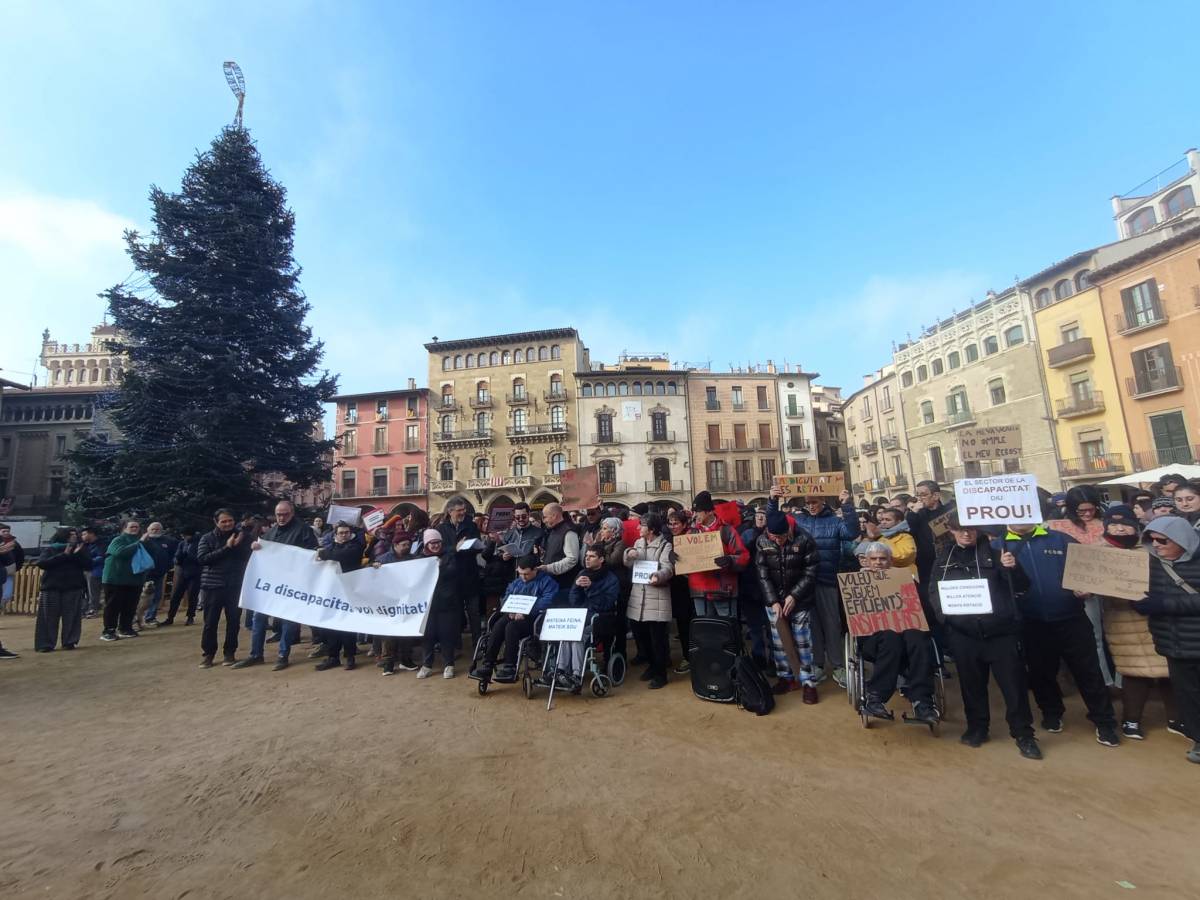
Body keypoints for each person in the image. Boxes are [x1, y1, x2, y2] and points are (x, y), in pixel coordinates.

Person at [931, 513, 1042, 760]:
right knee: (971, 685)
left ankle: (1024, 734)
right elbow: (934, 591)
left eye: (970, 528)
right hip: (964, 634)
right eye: (960, 529)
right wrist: (946, 618)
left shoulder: (998, 553)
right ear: (950, 530)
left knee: (1014, 686)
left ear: (978, 529)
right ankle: (977, 728)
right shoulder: (943, 558)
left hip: (1000, 632)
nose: (966, 533)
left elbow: (1021, 587)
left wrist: (1012, 569)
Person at [1000, 522, 1120, 745]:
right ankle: (1051, 712)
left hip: (1071, 617)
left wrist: (1088, 587)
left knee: (1088, 671)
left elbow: (1088, 569)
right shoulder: (998, 545)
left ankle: (1104, 722)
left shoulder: (1060, 538)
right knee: (1041, 672)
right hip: (1031, 621)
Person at [1098, 505, 1180, 740]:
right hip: (1121, 620)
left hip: (1155, 617)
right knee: (1133, 672)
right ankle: (1131, 720)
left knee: (1168, 670)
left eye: (1124, 524)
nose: (1119, 528)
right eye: (1113, 525)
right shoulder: (1096, 553)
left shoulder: (1151, 549)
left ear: (1135, 526)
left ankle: (1177, 718)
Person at [771, 488, 857, 687]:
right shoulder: (799, 521)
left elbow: (852, 532)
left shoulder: (835, 522)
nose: (810, 505)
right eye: (808, 502)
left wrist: (847, 505)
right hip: (805, 582)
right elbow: (775, 523)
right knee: (813, 625)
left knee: (832, 623)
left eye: (814, 502)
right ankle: (818, 663)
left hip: (827, 579)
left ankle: (837, 665)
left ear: (823, 500)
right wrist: (772, 500)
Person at [1137, 517, 1200, 764]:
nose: (1157, 545)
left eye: (1162, 540)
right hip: (1174, 645)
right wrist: (1138, 602)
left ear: (1182, 540)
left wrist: (1164, 604)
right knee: (1188, 697)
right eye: (1151, 540)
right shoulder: (1150, 564)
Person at [855, 541, 939, 724]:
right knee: (891, 637)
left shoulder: (905, 579)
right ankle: (876, 696)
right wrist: (863, 585)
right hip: (874, 637)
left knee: (918, 637)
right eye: (874, 559)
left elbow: (926, 614)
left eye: (883, 559)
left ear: (890, 561)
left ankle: (922, 700)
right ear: (867, 561)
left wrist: (907, 584)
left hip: (907, 632)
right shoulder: (856, 583)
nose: (878, 563)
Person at [234, 499, 321, 671]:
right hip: (270, 585)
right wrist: (256, 547)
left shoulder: (304, 531)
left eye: (285, 514)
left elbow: (312, 554)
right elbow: (262, 553)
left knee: (288, 620)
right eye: (278, 514)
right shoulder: (271, 532)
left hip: (291, 585)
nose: (281, 518)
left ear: (292, 513)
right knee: (258, 618)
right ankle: (256, 654)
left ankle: (283, 655)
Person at [755, 511, 820, 702]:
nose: (778, 541)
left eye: (782, 537)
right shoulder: (762, 541)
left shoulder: (805, 539)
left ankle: (808, 681)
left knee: (803, 642)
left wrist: (795, 595)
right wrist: (773, 600)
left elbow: (811, 571)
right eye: (774, 537)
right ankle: (786, 677)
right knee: (779, 642)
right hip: (775, 601)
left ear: (789, 531)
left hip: (799, 600)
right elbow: (762, 574)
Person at [472, 555, 558, 682]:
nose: (523, 577)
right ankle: (488, 664)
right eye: (520, 573)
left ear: (535, 570)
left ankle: (510, 666)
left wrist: (526, 612)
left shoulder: (547, 582)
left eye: (526, 574)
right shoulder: (516, 582)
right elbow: (506, 597)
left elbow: (547, 601)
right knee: (499, 625)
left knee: (511, 628)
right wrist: (510, 609)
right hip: (514, 614)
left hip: (535, 619)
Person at [195, 509, 253, 668]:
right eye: (223, 521)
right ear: (216, 522)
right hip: (212, 586)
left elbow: (249, 557)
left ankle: (230, 652)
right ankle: (208, 654)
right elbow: (203, 559)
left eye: (230, 521)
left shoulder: (244, 537)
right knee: (210, 623)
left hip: (235, 586)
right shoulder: (207, 538)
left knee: (233, 622)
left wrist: (245, 545)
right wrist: (227, 548)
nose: (228, 524)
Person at [557, 545, 620, 691]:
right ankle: (561, 671)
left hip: (602, 618)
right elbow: (574, 602)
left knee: (578, 636)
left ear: (601, 559)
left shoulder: (611, 579)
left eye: (591, 556)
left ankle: (576, 675)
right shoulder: (582, 574)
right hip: (582, 616)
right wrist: (576, 588)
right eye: (586, 556)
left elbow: (606, 604)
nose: (587, 558)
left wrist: (592, 587)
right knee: (566, 633)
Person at [624, 514, 675, 689]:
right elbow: (629, 563)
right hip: (639, 596)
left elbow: (668, 568)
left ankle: (661, 673)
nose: (638, 528)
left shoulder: (665, 545)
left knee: (658, 639)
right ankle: (652, 666)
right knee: (643, 636)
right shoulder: (638, 543)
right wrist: (628, 554)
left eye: (642, 525)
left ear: (652, 529)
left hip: (656, 597)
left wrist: (658, 575)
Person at [685, 491, 749, 619]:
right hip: (700, 591)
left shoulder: (726, 530)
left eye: (698, 511)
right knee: (706, 631)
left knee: (727, 630)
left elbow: (743, 556)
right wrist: (676, 557)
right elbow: (685, 561)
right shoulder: (691, 533)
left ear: (709, 511)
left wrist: (730, 560)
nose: (695, 515)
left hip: (723, 589)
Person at [314, 522, 366, 671]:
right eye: (341, 533)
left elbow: (343, 557)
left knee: (347, 626)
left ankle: (350, 657)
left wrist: (324, 554)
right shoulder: (330, 547)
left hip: (349, 591)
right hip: (332, 592)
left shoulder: (355, 547)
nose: (344, 535)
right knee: (331, 626)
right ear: (335, 535)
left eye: (347, 532)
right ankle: (333, 657)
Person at [370, 530, 422, 674]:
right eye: (404, 544)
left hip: (406, 602)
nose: (407, 547)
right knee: (389, 634)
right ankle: (388, 663)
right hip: (389, 602)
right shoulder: (383, 559)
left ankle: (406, 660)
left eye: (408, 544)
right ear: (395, 544)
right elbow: (370, 574)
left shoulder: (412, 558)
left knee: (406, 631)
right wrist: (373, 567)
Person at [437, 499, 483, 650]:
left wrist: (468, 547)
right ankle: (456, 646)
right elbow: (439, 550)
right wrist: (455, 549)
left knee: (474, 613)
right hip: (451, 579)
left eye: (464, 509)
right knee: (455, 614)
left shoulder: (471, 526)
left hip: (470, 576)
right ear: (450, 511)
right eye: (459, 510)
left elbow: (478, 547)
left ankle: (478, 645)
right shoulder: (441, 529)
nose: (463, 512)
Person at [34, 528, 90, 652]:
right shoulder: (51, 549)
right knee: (48, 617)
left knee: (72, 615)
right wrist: (64, 555)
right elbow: (42, 563)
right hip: (51, 586)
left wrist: (76, 555)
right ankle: (45, 644)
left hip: (73, 586)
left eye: (75, 535)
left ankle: (69, 641)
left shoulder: (80, 549)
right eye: (71, 535)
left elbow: (88, 565)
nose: (74, 537)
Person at [418, 529, 460, 679]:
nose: (435, 545)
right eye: (432, 543)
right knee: (428, 635)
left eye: (437, 542)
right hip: (427, 604)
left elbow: (451, 572)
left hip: (447, 602)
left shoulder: (449, 556)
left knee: (446, 634)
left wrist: (438, 567)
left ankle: (449, 664)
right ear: (426, 544)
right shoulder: (420, 558)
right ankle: (427, 664)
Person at [100, 519, 146, 642]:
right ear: (124, 528)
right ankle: (108, 630)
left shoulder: (142, 540)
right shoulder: (118, 540)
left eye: (137, 527)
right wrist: (139, 543)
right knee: (113, 606)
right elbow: (120, 553)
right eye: (132, 527)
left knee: (130, 606)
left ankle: (125, 628)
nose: (135, 529)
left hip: (135, 580)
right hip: (115, 579)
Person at [739, 505, 771, 671]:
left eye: (763, 515)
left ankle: (773, 659)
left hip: (769, 589)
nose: (760, 517)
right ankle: (759, 658)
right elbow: (741, 556)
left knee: (772, 627)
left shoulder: (772, 534)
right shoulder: (746, 534)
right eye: (758, 514)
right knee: (755, 628)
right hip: (750, 586)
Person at [665, 509, 694, 671]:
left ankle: (695, 656)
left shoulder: (692, 538)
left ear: (684, 524)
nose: (673, 526)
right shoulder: (669, 539)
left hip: (693, 586)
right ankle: (687, 656)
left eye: (676, 523)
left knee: (693, 623)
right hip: (677, 587)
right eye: (670, 523)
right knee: (682, 624)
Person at [537, 503, 580, 603]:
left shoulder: (569, 532)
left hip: (563, 585)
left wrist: (549, 568)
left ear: (554, 516)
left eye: (545, 517)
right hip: (552, 583)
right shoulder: (552, 531)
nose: (544, 520)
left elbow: (572, 559)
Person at [135, 522, 175, 627]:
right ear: (148, 530)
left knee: (157, 596)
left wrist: (168, 566)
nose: (155, 531)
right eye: (152, 529)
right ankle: (136, 620)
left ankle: (150, 617)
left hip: (160, 573)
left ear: (161, 530)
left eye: (157, 529)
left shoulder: (168, 541)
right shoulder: (143, 541)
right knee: (140, 598)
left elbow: (172, 555)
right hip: (144, 574)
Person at [161, 526, 201, 626]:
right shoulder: (182, 543)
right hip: (182, 572)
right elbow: (176, 556)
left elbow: (200, 558)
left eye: (185, 535)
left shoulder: (199, 543)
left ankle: (190, 616)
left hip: (195, 572)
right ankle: (170, 617)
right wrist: (177, 559)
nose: (183, 537)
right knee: (175, 596)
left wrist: (188, 555)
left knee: (192, 596)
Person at [79, 526, 106, 619]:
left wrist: (89, 562)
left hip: (95, 571)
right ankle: (84, 609)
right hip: (84, 571)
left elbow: (101, 557)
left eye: (84, 534)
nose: (82, 536)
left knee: (93, 592)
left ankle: (93, 609)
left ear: (91, 534)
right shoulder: (84, 545)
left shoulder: (100, 544)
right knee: (85, 592)